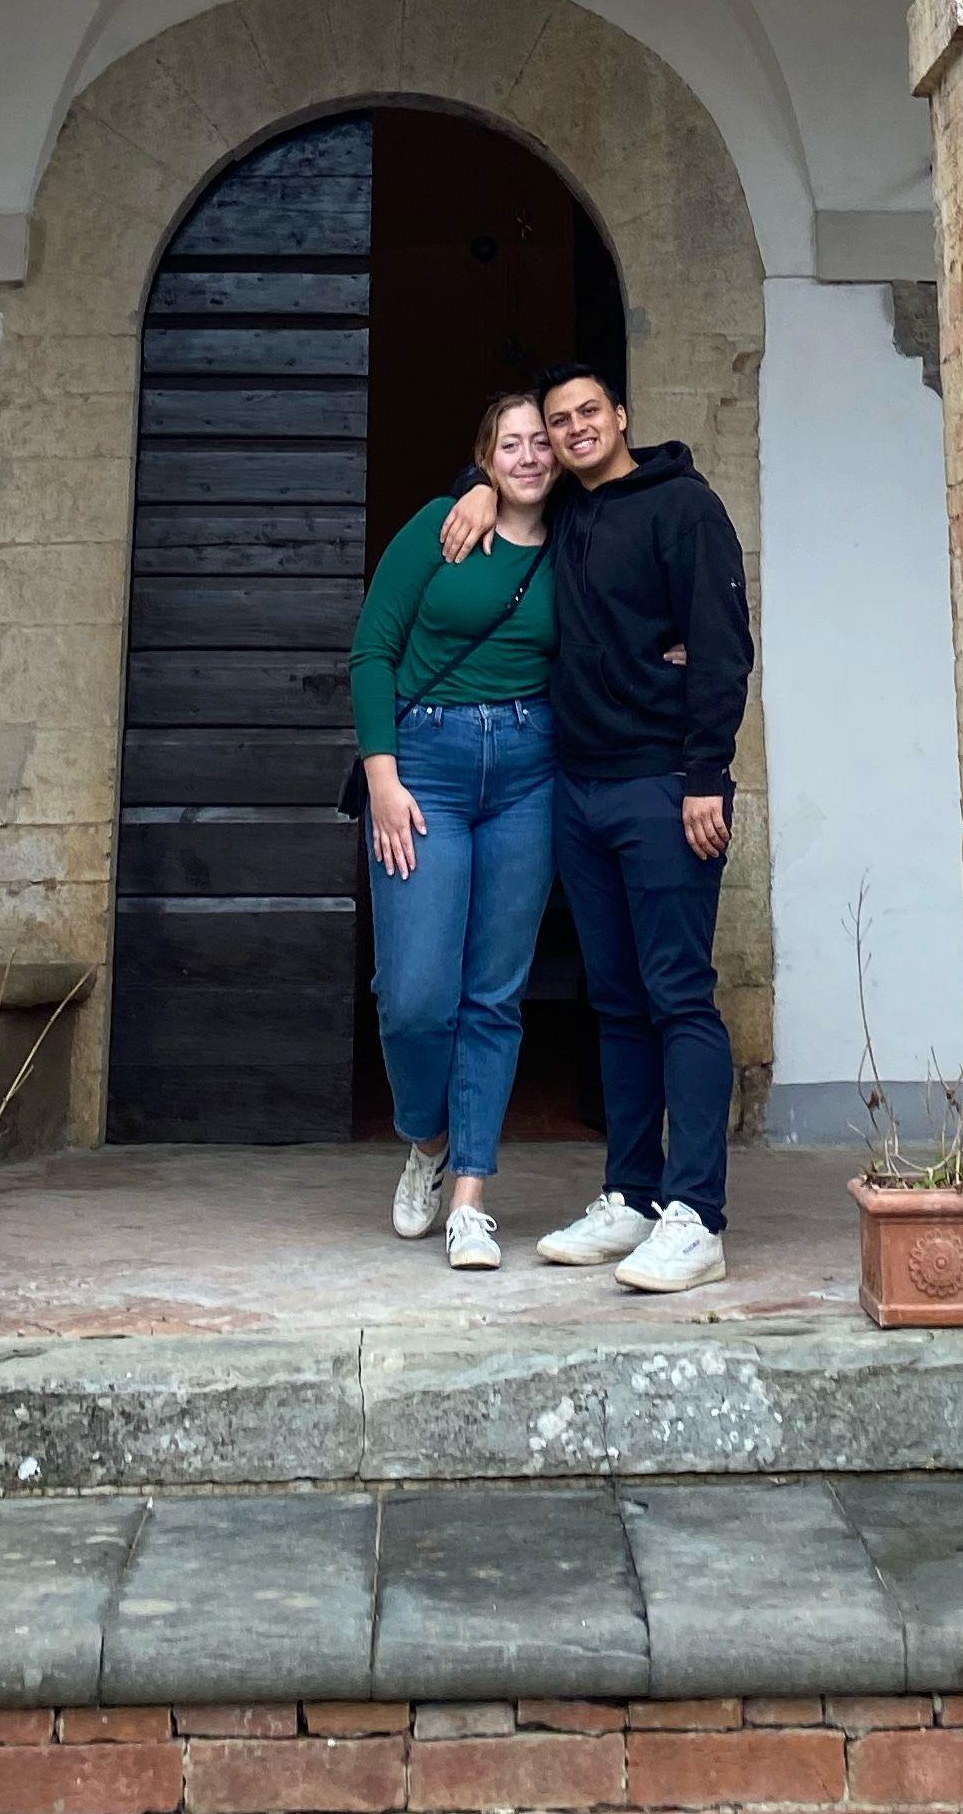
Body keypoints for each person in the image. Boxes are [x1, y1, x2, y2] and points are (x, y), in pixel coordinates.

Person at [442, 360, 753, 1296]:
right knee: (615, 1003)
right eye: (556, 420)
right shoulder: (568, 512)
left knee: (679, 997)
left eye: (586, 413)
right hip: (579, 790)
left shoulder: (684, 508)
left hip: (666, 787)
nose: (571, 430)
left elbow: (726, 645)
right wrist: (475, 492)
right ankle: (633, 1195)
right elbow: (515, 486)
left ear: (620, 415)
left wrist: (708, 777)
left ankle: (697, 1216)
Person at [347, 390, 564, 1270]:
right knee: (414, 994)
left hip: (529, 767)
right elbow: (372, 649)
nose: (527, 455)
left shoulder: (578, 542)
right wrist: (382, 777)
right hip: (425, 765)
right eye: (507, 444)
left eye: (539, 441)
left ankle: (472, 1193)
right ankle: (426, 1139)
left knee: (494, 993)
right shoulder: (445, 524)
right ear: (484, 457)